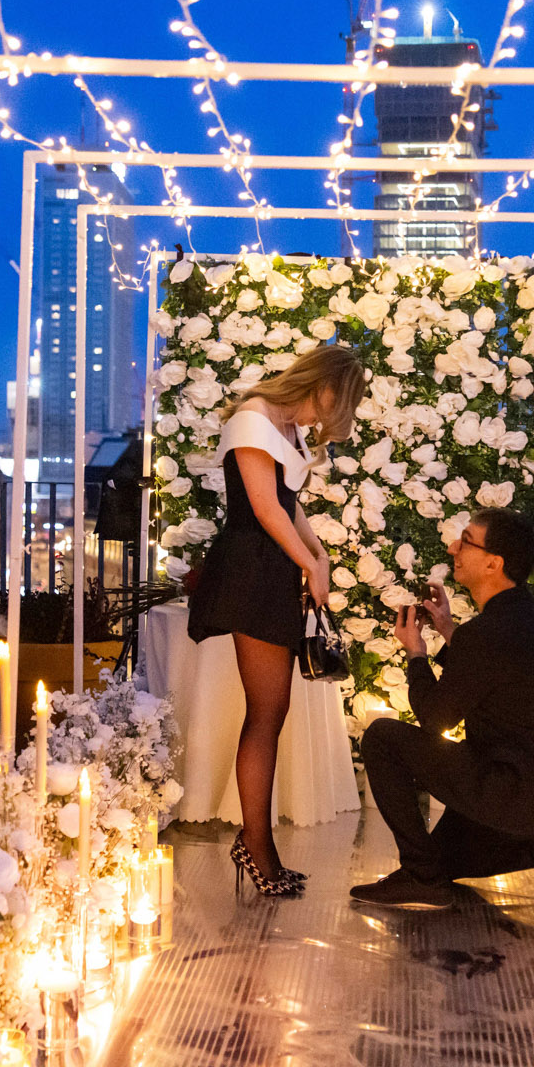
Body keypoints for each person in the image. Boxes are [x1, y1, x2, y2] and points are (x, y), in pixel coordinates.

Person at [188, 343, 368, 899]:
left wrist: (320, 556)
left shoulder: (281, 425)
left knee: (272, 712)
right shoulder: (253, 417)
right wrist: (309, 563)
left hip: (269, 567)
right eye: (329, 406)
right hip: (252, 568)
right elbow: (265, 508)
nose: (322, 421)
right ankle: (256, 848)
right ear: (318, 383)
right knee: (266, 714)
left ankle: (258, 844)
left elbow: (289, 505)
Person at [350, 507, 534, 911]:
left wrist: (416, 655)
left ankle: (420, 878)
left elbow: (436, 718)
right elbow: (492, 674)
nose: (453, 547)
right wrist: (445, 626)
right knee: (444, 860)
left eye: (466, 541)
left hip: (505, 787)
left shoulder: (487, 632)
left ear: (493, 563)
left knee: (382, 738)